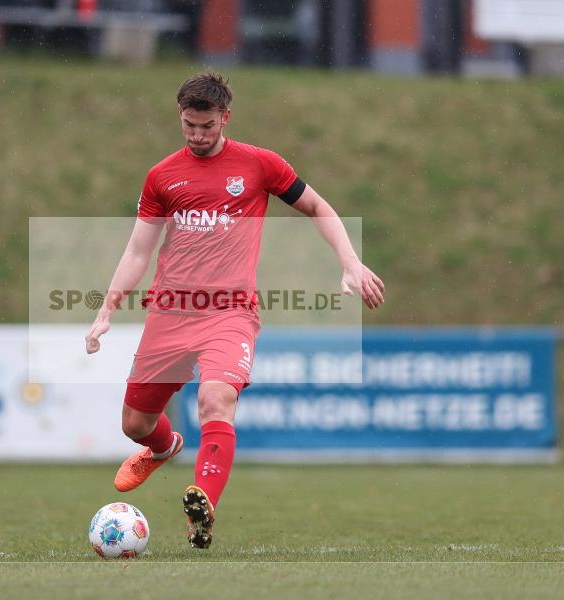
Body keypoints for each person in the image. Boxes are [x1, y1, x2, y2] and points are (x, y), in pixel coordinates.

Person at [85, 72, 385, 549]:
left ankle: (202, 506)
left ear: (225, 117)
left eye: (206, 126)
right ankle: (163, 448)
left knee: (216, 401)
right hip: (170, 313)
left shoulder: (260, 165)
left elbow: (316, 207)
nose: (197, 135)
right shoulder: (162, 176)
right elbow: (139, 250)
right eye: (189, 125)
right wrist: (107, 308)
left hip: (230, 313)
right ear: (180, 116)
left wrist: (349, 260)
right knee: (135, 424)